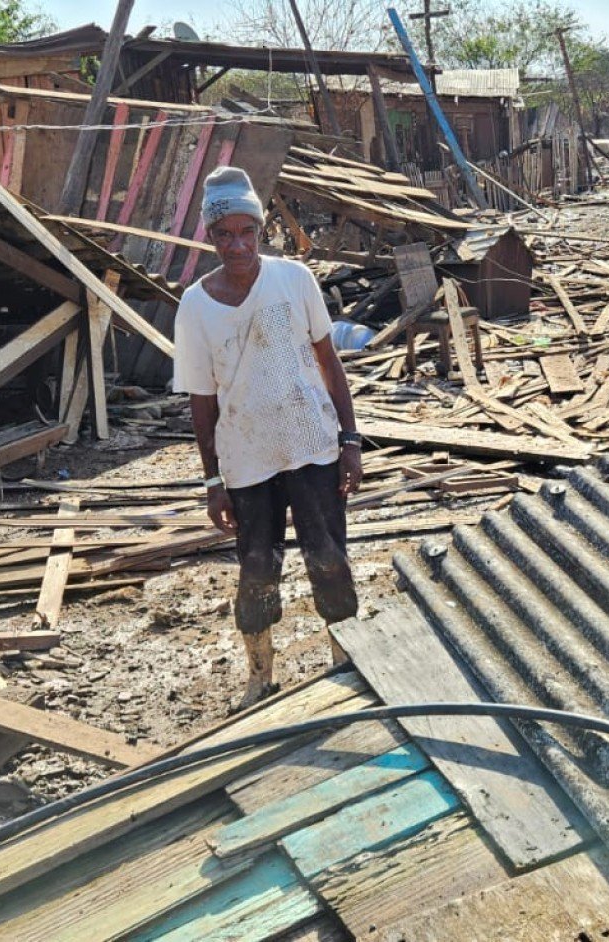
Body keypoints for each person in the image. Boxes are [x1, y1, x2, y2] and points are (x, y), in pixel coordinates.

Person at [171, 166, 363, 709]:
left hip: (312, 445)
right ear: (210, 237)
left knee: (328, 557)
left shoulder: (294, 280)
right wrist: (213, 480)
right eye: (224, 234)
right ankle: (261, 676)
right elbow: (201, 402)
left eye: (246, 231)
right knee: (257, 568)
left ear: (261, 229)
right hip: (247, 458)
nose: (237, 245)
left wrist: (350, 441)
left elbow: (329, 362)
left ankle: (345, 659)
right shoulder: (195, 305)